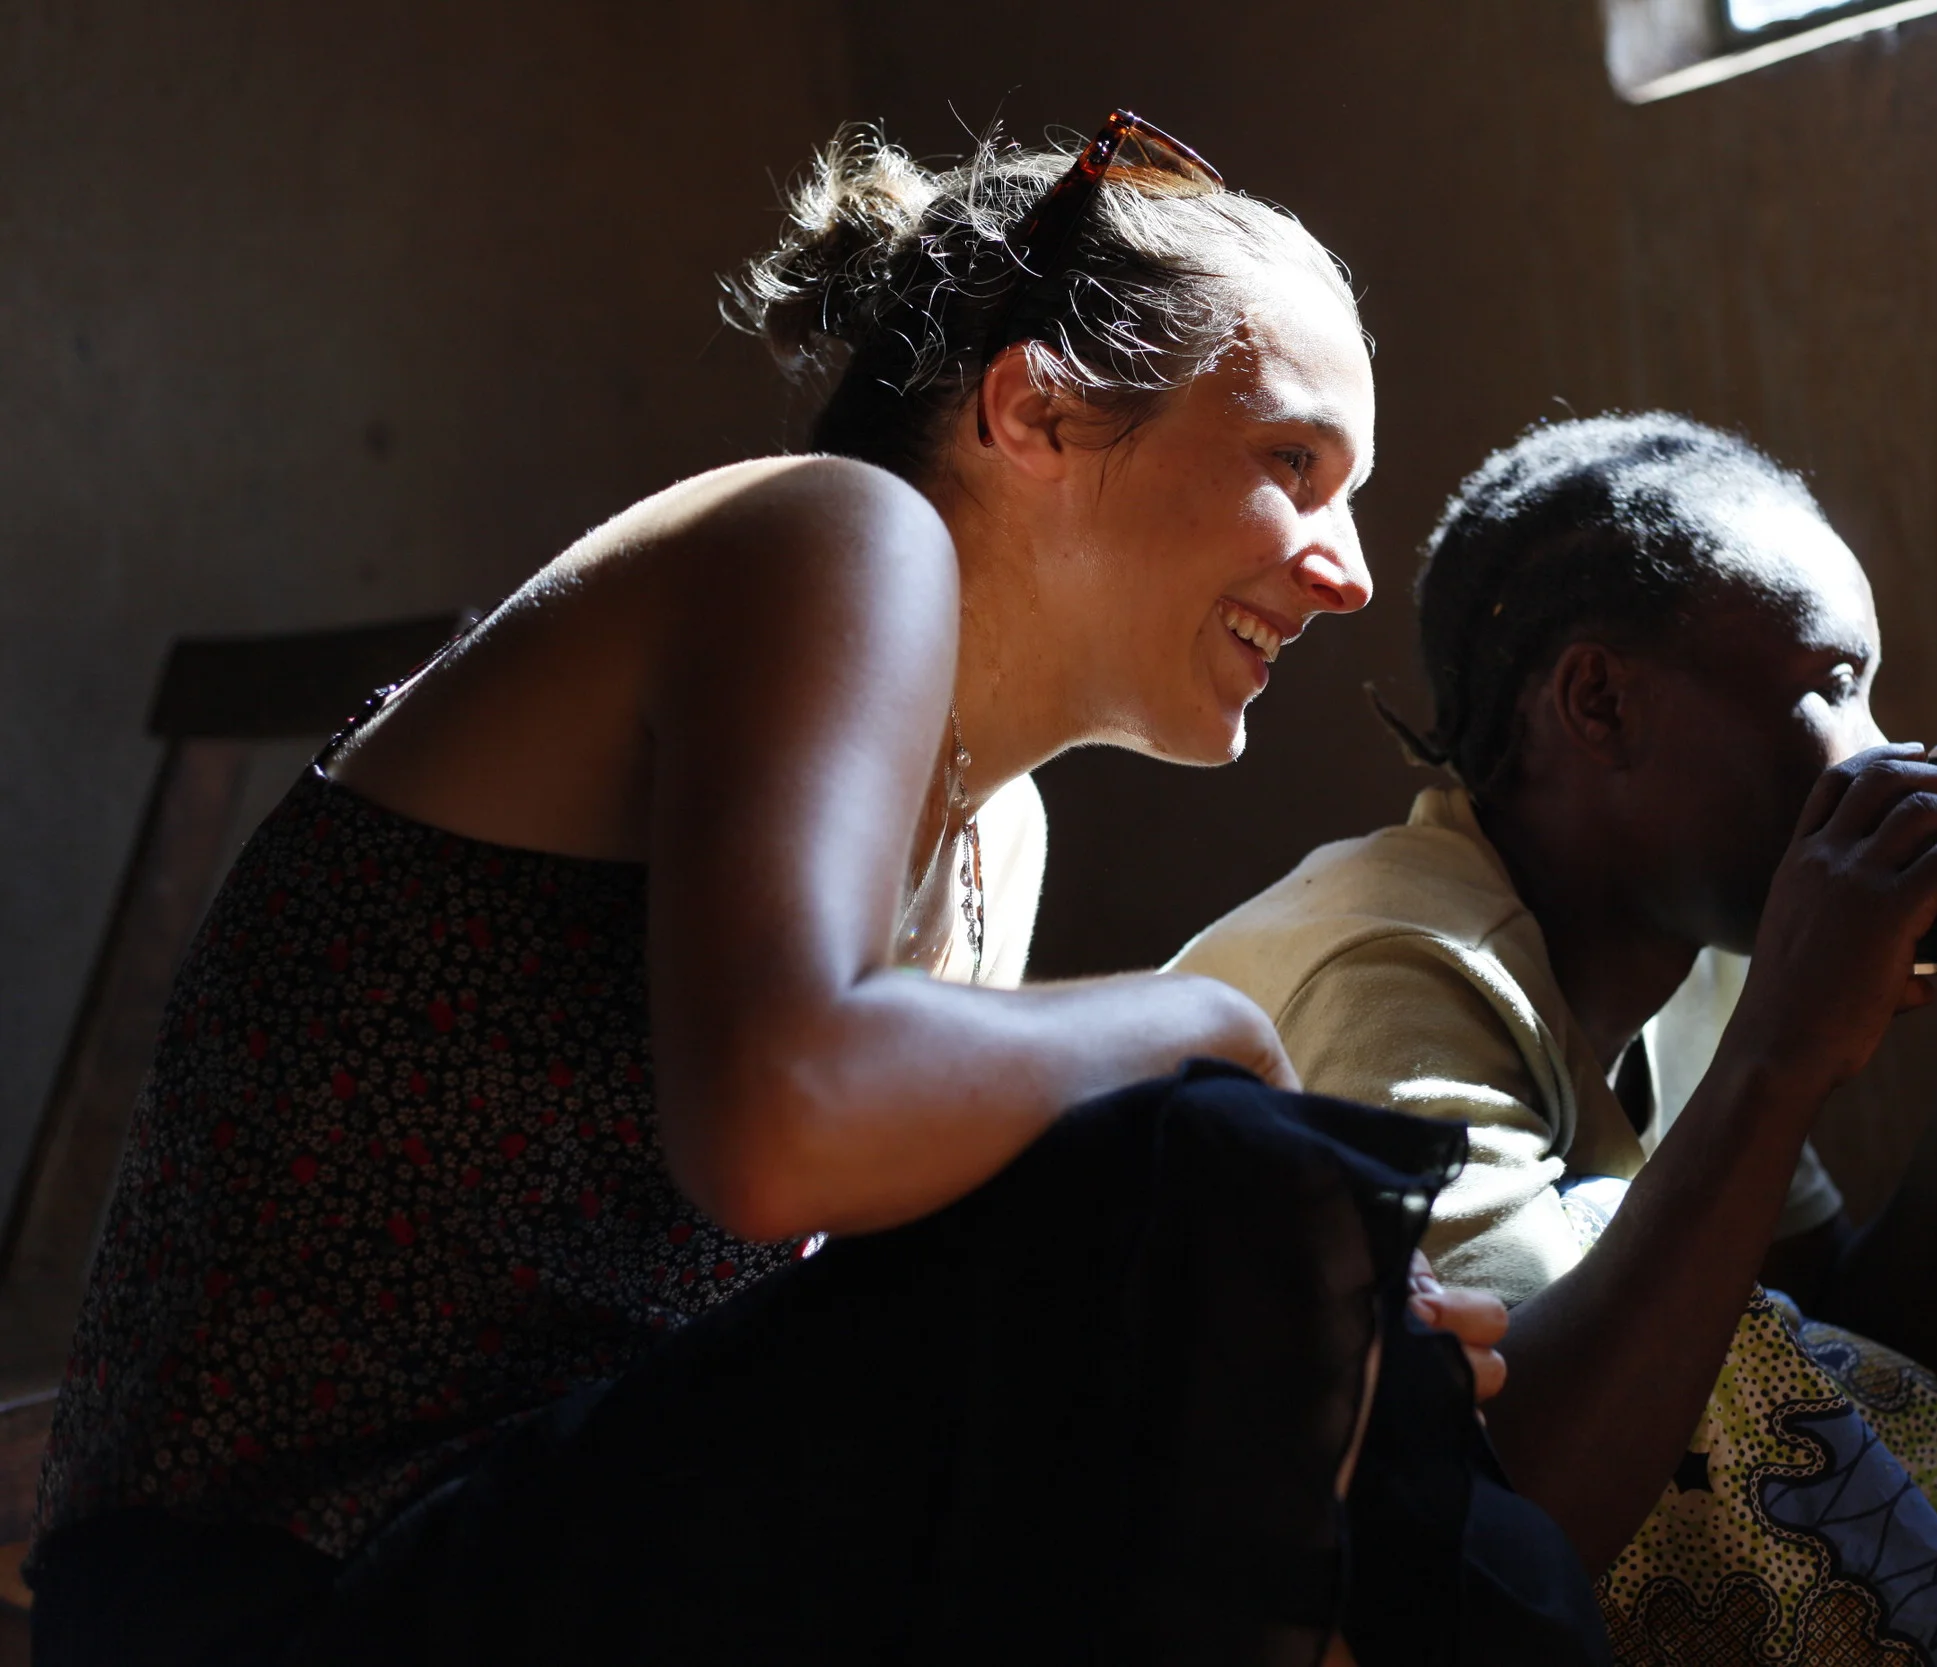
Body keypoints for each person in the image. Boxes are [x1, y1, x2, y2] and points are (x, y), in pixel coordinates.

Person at [25, 116, 1605, 1666]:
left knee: (1315, 1339)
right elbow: (780, 1118)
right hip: (286, 1591)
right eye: (1291, 464)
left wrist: (1332, 1318)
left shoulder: (997, 835)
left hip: (575, 1547)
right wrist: (1215, 1041)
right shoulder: (827, 530)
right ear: (1036, 413)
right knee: (1209, 1164)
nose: (1345, 569)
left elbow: (880, 1331)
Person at [1172, 414, 1937, 1665]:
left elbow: (1834, 1398)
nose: (1878, 754)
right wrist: (1781, 1055)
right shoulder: (1393, 969)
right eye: (1829, 687)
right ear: (1597, 701)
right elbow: (1503, 1519)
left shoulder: (1703, 955)